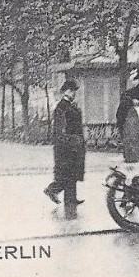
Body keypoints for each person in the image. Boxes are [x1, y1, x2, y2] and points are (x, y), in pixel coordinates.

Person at [43, 80, 86, 209]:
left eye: (74, 91)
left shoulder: (70, 106)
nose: (73, 93)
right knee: (67, 173)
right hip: (66, 145)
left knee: (72, 173)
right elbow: (60, 129)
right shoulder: (61, 107)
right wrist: (69, 141)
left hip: (74, 144)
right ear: (65, 91)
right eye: (71, 90)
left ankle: (71, 198)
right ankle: (52, 190)